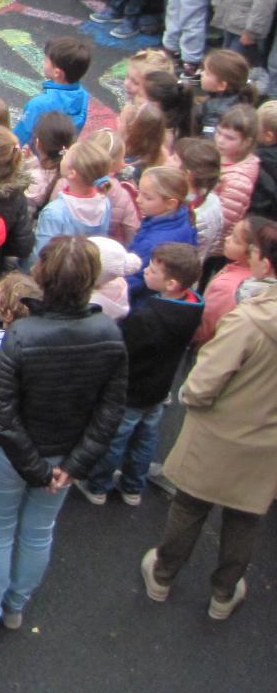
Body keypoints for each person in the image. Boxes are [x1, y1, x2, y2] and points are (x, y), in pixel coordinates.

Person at [0, 235, 127, 647]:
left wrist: (35, 468)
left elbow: (5, 413)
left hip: (14, 454)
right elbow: (110, 411)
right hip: (65, 455)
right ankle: (14, 608)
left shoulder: (23, 334)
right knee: (38, 531)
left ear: (43, 276)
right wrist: (71, 467)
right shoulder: (109, 332)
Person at [138, 219, 277, 619]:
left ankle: (162, 576)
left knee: (190, 505)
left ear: (265, 266)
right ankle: (223, 592)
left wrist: (190, 396)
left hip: (222, 430)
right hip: (267, 438)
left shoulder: (248, 321)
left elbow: (204, 383)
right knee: (245, 517)